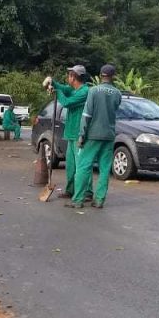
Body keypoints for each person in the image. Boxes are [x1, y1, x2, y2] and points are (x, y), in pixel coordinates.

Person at [69, 64, 122, 209]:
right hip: (109, 135)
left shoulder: (93, 91)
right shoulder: (117, 93)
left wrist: (81, 135)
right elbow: (115, 110)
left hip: (92, 135)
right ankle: (99, 200)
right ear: (113, 76)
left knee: (83, 166)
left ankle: (78, 200)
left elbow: (86, 115)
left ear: (100, 75)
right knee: (105, 169)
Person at [43, 65, 91, 201]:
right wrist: (52, 82)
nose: (67, 78)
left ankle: (87, 192)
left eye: (69, 75)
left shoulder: (84, 91)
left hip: (79, 133)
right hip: (71, 133)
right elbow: (63, 88)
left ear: (74, 77)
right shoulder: (74, 89)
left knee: (81, 165)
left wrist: (56, 92)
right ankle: (71, 190)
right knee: (70, 165)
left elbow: (67, 102)